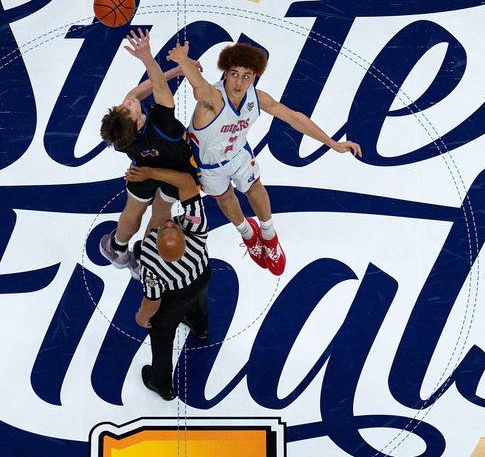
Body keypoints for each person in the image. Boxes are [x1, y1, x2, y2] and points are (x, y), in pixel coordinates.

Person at [167, 41, 362, 276]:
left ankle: (269, 236)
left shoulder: (257, 98)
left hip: (238, 153)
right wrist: (184, 61)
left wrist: (332, 143)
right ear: (226, 73)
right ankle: (248, 235)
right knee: (226, 198)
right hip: (207, 166)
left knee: (254, 187)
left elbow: (295, 118)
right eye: (234, 75)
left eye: (246, 76)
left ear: (254, 77)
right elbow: (199, 88)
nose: (239, 83)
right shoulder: (213, 98)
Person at [99, 29, 201, 269]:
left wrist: (179, 70)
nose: (127, 102)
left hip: (143, 168)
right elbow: (157, 85)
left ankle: (118, 248)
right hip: (177, 170)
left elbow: (137, 92)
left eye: (121, 106)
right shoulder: (162, 122)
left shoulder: (123, 138)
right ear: (137, 123)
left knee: (133, 209)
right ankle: (144, 262)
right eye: (127, 109)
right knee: (160, 213)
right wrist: (148, 57)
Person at [126, 164, 209, 401]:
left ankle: (161, 382)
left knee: (161, 336)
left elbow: (152, 300)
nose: (168, 223)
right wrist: (152, 174)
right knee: (198, 299)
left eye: (168, 228)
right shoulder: (196, 227)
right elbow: (185, 181)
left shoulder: (151, 260)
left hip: (173, 296)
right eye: (171, 226)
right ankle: (200, 327)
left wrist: (142, 318)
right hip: (200, 274)